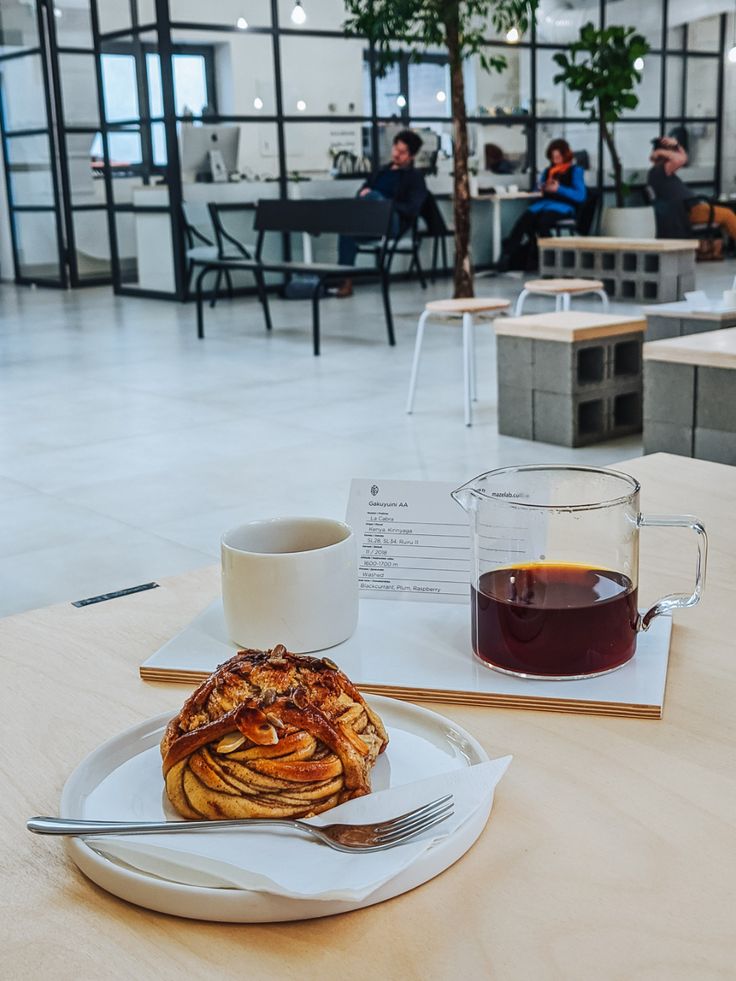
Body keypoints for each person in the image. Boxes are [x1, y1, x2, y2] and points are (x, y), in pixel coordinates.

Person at [334, 129, 428, 298]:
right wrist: (366, 195)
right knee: (347, 231)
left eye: (402, 152)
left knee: (374, 196)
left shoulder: (414, 178)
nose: (396, 154)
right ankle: (345, 282)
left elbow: (412, 209)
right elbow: (363, 191)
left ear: (411, 156)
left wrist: (385, 203)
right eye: (395, 149)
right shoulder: (381, 172)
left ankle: (334, 219)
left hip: (393, 222)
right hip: (371, 220)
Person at [496, 139, 586, 272]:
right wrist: (540, 188)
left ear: (565, 156)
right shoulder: (547, 171)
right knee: (524, 222)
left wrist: (559, 189)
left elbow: (580, 195)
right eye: (553, 157)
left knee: (542, 223)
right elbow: (535, 191)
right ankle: (509, 254)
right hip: (543, 204)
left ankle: (550, 257)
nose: (556, 160)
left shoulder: (575, 171)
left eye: (558, 157)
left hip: (563, 206)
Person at [648, 135, 736, 241]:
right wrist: (660, 152)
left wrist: (676, 145)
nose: (674, 153)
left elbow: (683, 157)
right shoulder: (660, 170)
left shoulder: (661, 172)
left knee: (726, 215)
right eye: (672, 151)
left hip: (690, 208)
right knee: (728, 215)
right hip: (691, 211)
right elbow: (682, 159)